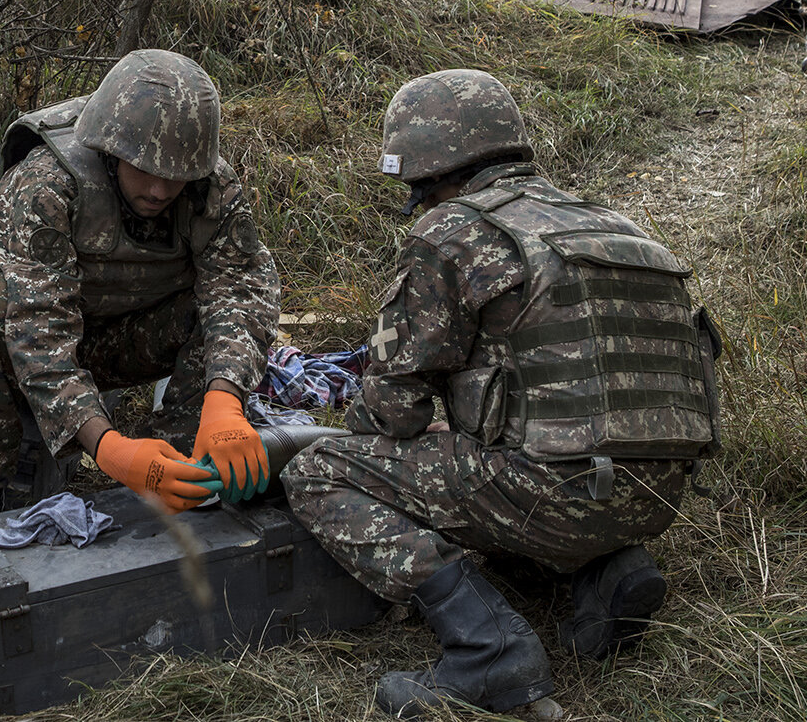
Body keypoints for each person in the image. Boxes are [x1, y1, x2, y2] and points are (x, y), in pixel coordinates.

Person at [285, 70, 719, 718]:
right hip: (658, 496)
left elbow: (388, 409)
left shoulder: (451, 234)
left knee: (317, 471)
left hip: (552, 497)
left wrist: (435, 430)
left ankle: (488, 648)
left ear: (430, 175)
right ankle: (605, 573)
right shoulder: (617, 226)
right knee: (518, 461)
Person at [0, 49, 280, 517]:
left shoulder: (210, 188)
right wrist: (110, 450)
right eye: (145, 172)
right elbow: (38, 329)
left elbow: (241, 286)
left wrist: (225, 398)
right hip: (18, 345)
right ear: (111, 151)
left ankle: (186, 474)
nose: (159, 191)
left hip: (121, 338)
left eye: (174, 177)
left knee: (217, 309)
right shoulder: (46, 184)